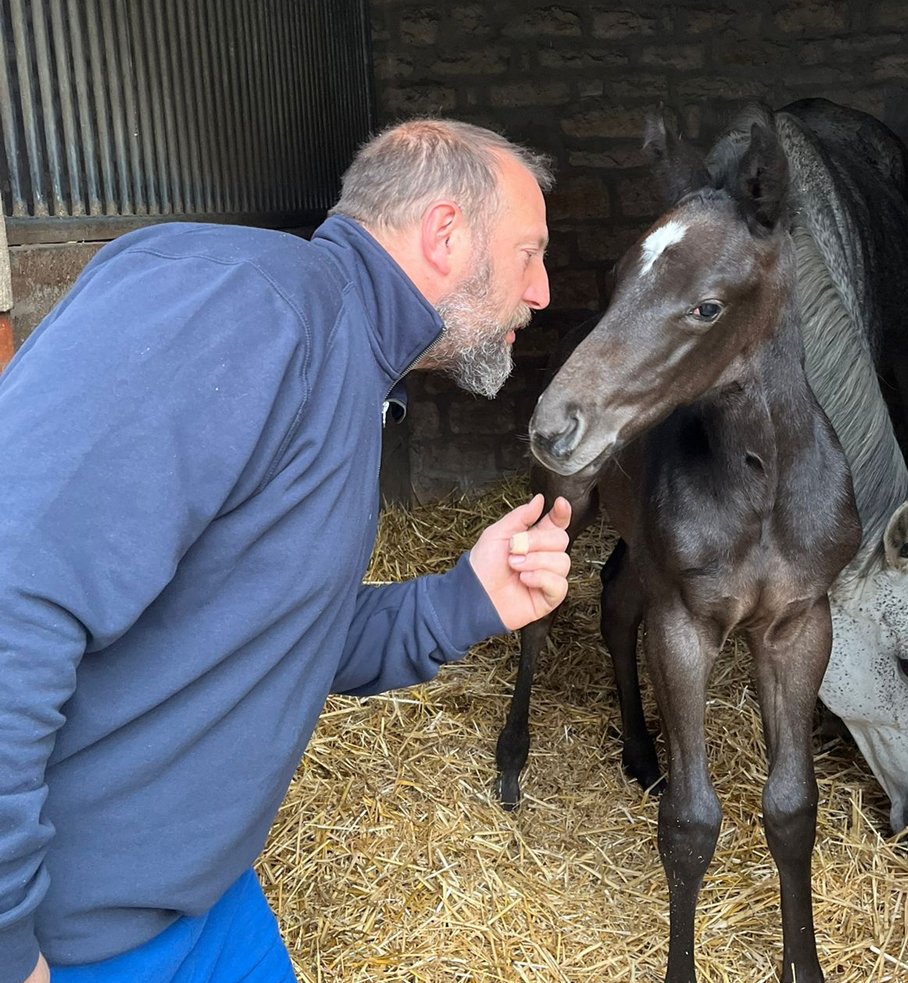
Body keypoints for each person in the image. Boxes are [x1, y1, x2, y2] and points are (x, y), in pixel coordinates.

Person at [0, 119, 572, 983]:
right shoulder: (244, 302)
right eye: (529, 253)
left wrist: (468, 598)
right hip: (77, 940)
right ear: (445, 233)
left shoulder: (351, 366)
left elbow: (280, 633)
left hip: (203, 898)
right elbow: (15, 593)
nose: (542, 290)